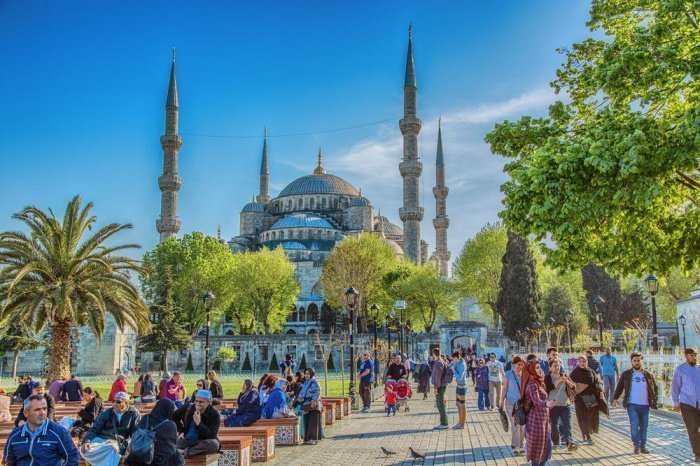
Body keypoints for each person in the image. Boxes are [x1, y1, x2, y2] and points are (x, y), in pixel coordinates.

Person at [4, 394, 79, 466]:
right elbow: (8, 461)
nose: (42, 413)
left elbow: (73, 457)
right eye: (37, 410)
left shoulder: (59, 432)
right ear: (26, 413)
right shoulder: (15, 435)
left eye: (44, 409)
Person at [612, 352, 658, 454]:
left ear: (642, 361)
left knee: (644, 427)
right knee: (634, 425)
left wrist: (655, 399)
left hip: (645, 405)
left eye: (638, 360)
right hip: (632, 404)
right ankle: (636, 445)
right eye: (634, 361)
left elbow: (655, 387)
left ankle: (643, 446)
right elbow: (619, 387)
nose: (637, 362)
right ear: (632, 362)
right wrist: (615, 398)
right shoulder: (626, 374)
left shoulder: (648, 375)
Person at [81, 392, 141, 466]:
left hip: (117, 442)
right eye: (113, 401)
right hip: (101, 439)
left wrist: (129, 445)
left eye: (118, 402)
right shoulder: (107, 412)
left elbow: (136, 433)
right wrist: (86, 441)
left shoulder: (134, 413)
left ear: (126, 403)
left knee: (112, 449)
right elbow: (94, 428)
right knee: (86, 449)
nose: (115, 404)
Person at [125, 398, 183, 466]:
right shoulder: (170, 424)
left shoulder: (145, 418)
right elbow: (170, 448)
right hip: (157, 460)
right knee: (177, 457)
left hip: (139, 456)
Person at [522, 359, 555, 466]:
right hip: (535, 421)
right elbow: (536, 401)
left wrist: (548, 404)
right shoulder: (532, 384)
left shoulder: (539, 382)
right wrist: (547, 404)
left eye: (540, 367)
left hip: (543, 421)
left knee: (546, 448)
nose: (540, 369)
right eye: (536, 368)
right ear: (531, 370)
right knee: (538, 450)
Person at [671, 347, 700, 463]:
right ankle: (698, 454)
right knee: (693, 429)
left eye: (695, 355)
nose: (694, 357)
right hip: (687, 404)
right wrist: (676, 402)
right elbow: (675, 387)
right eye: (692, 355)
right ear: (686, 356)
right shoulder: (680, 369)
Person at [172, 389, 220, 457]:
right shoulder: (189, 407)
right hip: (186, 440)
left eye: (201, 402)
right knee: (171, 444)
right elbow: (174, 417)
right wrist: (181, 431)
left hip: (202, 442)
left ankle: (183, 452)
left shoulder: (214, 414)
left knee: (214, 445)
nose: (197, 404)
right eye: (196, 401)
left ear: (208, 402)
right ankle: (186, 451)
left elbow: (211, 436)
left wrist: (199, 423)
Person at [544, 358, 577, 452]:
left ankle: (570, 443)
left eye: (558, 365)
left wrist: (566, 381)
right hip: (553, 405)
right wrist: (559, 380)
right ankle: (555, 442)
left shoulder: (564, 375)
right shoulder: (547, 377)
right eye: (554, 366)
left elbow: (573, 387)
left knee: (567, 424)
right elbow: (548, 388)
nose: (557, 367)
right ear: (550, 367)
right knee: (554, 425)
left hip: (565, 404)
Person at [570, 354, 604, 445]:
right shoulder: (574, 373)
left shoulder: (591, 371)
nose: (582, 363)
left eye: (584, 361)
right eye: (580, 361)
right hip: (579, 399)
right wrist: (571, 396)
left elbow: (597, 382)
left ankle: (585, 432)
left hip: (591, 398)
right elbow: (570, 386)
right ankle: (588, 436)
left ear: (587, 362)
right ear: (577, 362)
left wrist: (601, 390)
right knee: (583, 417)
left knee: (590, 417)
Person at [501, 355, 525, 456]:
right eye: (519, 364)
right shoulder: (508, 374)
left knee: (522, 425)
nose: (520, 367)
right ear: (514, 364)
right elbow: (504, 388)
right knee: (515, 423)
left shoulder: (525, 375)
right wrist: (501, 402)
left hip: (522, 404)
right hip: (510, 403)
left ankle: (521, 445)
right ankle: (516, 446)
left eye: (522, 365)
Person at [296, 368, 322, 445]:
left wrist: (314, 400)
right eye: (305, 373)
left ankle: (313, 439)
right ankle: (307, 438)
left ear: (312, 374)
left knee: (313, 422)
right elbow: (303, 392)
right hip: (306, 405)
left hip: (313, 405)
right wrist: (300, 398)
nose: (306, 375)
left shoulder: (314, 382)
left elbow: (318, 391)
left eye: (308, 374)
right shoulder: (306, 382)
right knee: (307, 421)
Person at [430, 347, 449, 429]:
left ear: (434, 354)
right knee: (441, 404)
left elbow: (438, 377)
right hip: (442, 385)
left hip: (440, 386)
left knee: (440, 404)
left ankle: (444, 423)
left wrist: (435, 387)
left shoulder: (438, 363)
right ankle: (443, 422)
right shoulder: (441, 361)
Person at [449, 351, 468, 430]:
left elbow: (460, 377)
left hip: (462, 386)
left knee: (462, 405)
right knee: (458, 404)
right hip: (458, 385)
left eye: (453, 359)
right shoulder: (457, 362)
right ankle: (459, 422)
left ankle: (462, 424)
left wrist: (453, 370)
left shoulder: (462, 364)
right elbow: (449, 365)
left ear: (456, 358)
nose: (452, 360)